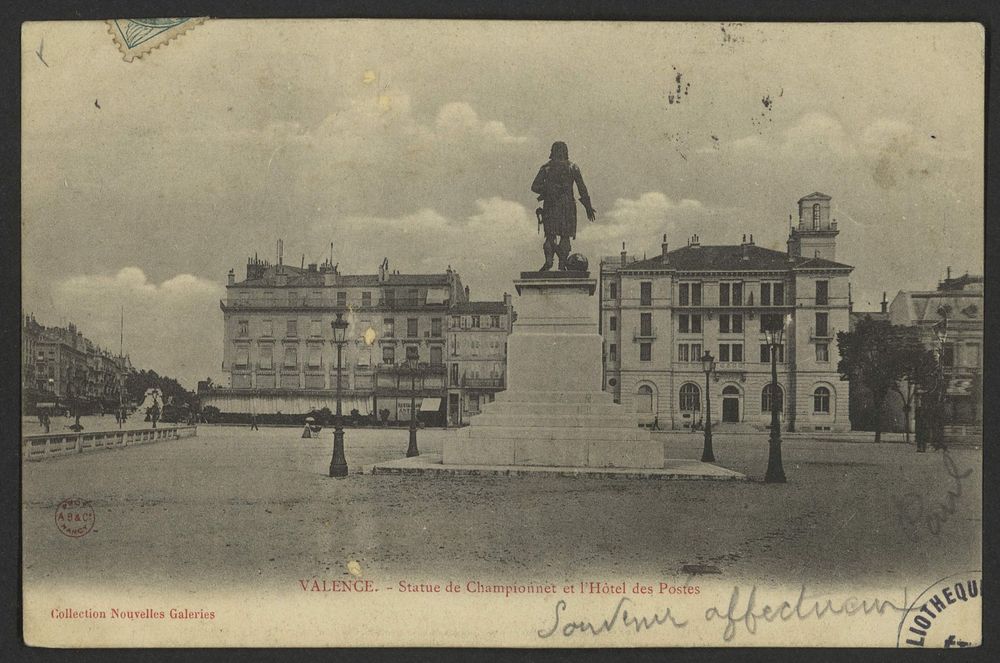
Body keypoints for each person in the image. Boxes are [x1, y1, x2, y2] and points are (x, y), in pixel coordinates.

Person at [531, 141, 597, 271]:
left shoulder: (546, 168)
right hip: (567, 206)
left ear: (552, 152)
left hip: (552, 204)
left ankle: (549, 262)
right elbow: (582, 188)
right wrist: (588, 206)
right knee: (564, 236)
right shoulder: (573, 167)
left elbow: (535, 186)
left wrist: (548, 189)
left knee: (551, 235)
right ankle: (560, 264)